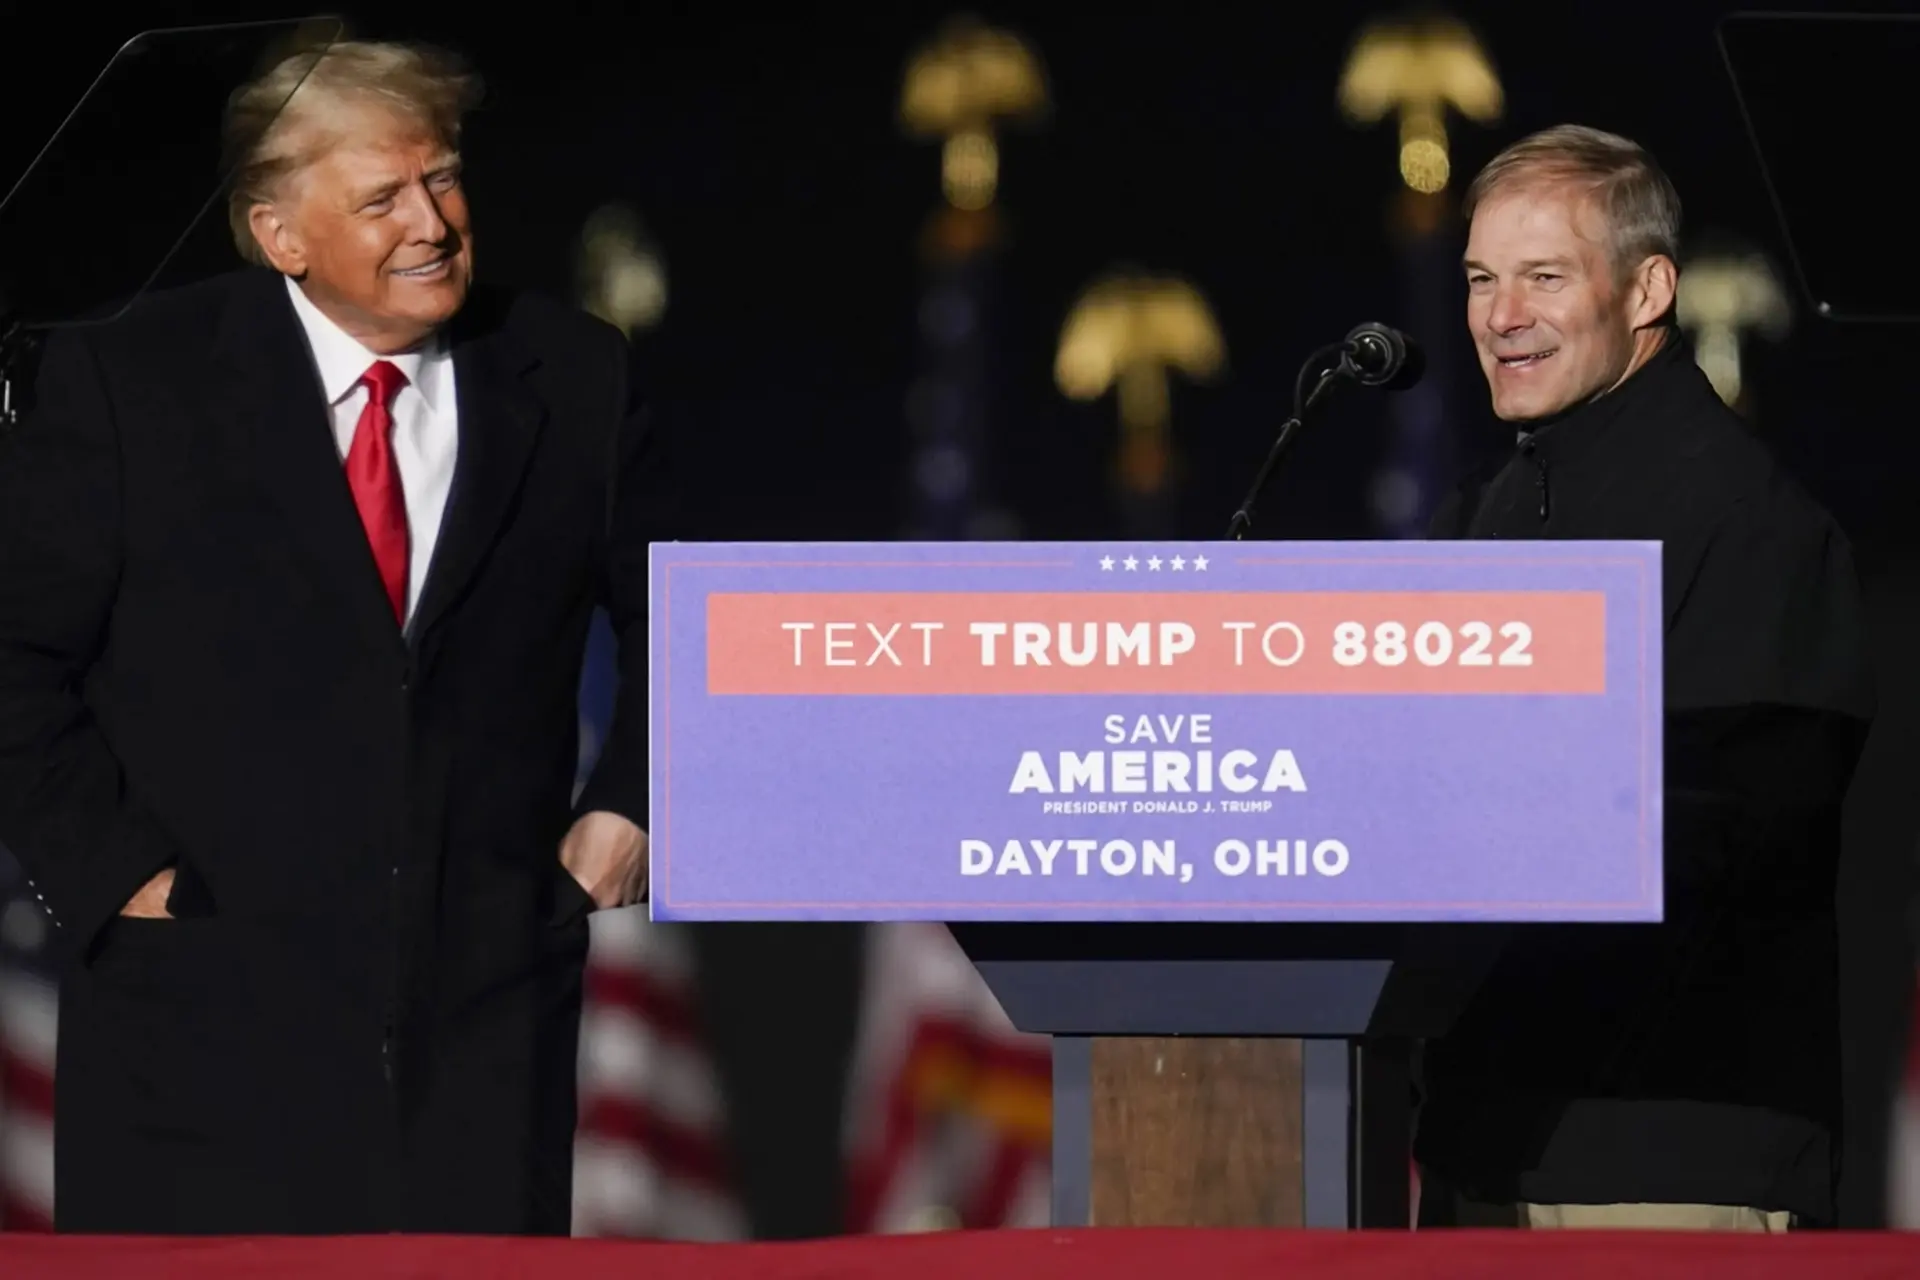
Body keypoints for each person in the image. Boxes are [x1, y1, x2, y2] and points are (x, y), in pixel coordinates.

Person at [0, 40, 661, 1234]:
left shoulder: (572, 373)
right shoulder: (127, 380)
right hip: (200, 1029)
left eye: (445, 178)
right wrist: (116, 880)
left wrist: (629, 810)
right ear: (280, 234)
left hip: (485, 1033)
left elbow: (683, 613)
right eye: (382, 197)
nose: (436, 222)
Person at [1415, 125, 1875, 1231]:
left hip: (1666, 1162)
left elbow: (1747, 826)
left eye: (1542, 276)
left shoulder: (1751, 525)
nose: (1499, 315)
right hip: (1483, 1149)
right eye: (1481, 278)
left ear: (1648, 288)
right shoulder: (1487, 516)